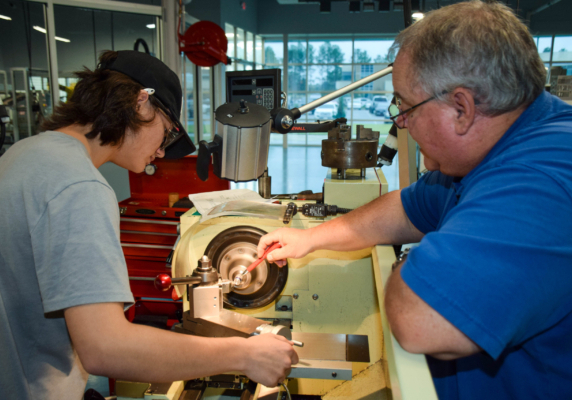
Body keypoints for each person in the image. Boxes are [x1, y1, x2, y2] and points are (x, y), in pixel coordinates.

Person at [258, 2, 572, 399]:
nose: (399, 123)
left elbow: (419, 320)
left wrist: (406, 270)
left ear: (462, 109)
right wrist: (310, 238)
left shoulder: (539, 180)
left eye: (405, 107)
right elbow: (405, 208)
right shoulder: (489, 153)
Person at [0, 50, 298, 400]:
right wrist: (245, 354)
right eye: (168, 133)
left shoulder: (24, 153)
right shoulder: (80, 187)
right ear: (142, 104)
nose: (161, 152)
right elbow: (106, 348)